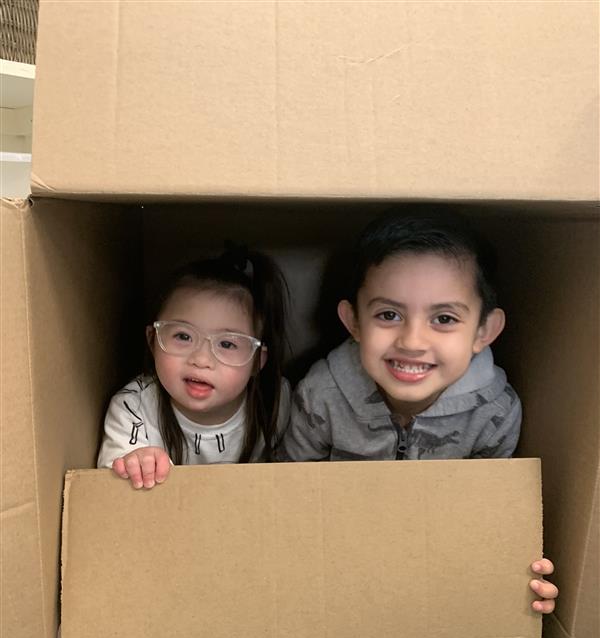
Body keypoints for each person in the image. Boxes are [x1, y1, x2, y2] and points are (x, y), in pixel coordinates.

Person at [279, 208, 558, 612]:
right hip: (334, 558)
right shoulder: (320, 394)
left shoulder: (494, 411)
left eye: (443, 318)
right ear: (353, 322)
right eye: (388, 315)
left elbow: (486, 524)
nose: (412, 341)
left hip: (433, 574)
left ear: (484, 332)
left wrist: (519, 577)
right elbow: (287, 497)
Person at [98, 245, 290, 487]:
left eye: (227, 344)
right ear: (152, 340)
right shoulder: (133, 408)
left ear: (256, 362)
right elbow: (106, 490)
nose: (201, 360)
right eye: (183, 336)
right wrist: (135, 463)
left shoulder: (275, 400)